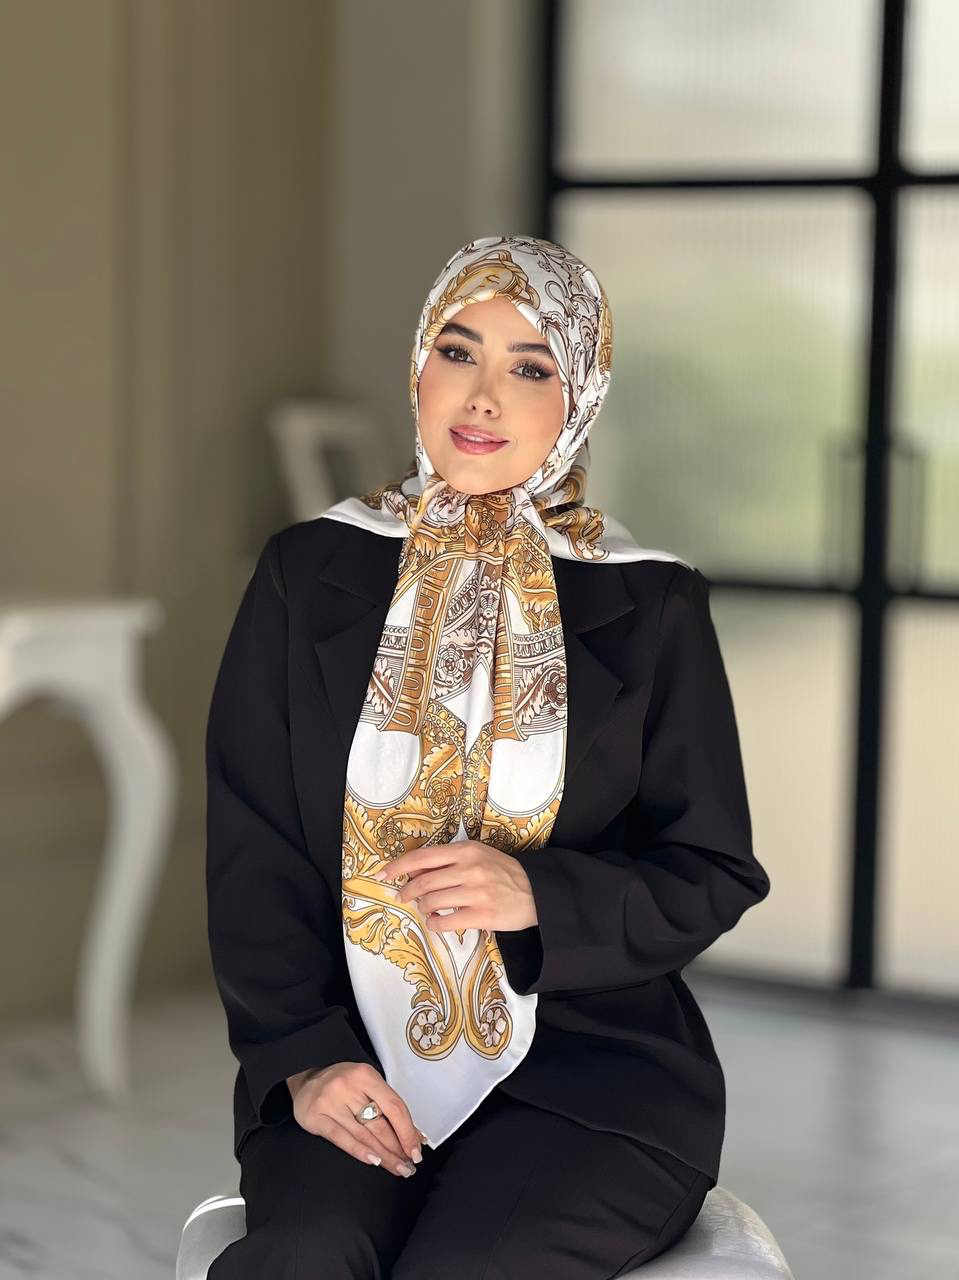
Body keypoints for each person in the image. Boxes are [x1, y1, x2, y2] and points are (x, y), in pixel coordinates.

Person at [205, 234, 771, 1278]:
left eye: (530, 367)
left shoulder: (650, 600)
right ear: (418, 365)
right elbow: (254, 845)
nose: (482, 396)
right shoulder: (306, 571)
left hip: (596, 1077)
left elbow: (710, 869)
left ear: (579, 395)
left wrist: (537, 895)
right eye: (457, 351)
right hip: (351, 1058)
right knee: (305, 1254)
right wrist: (303, 1058)